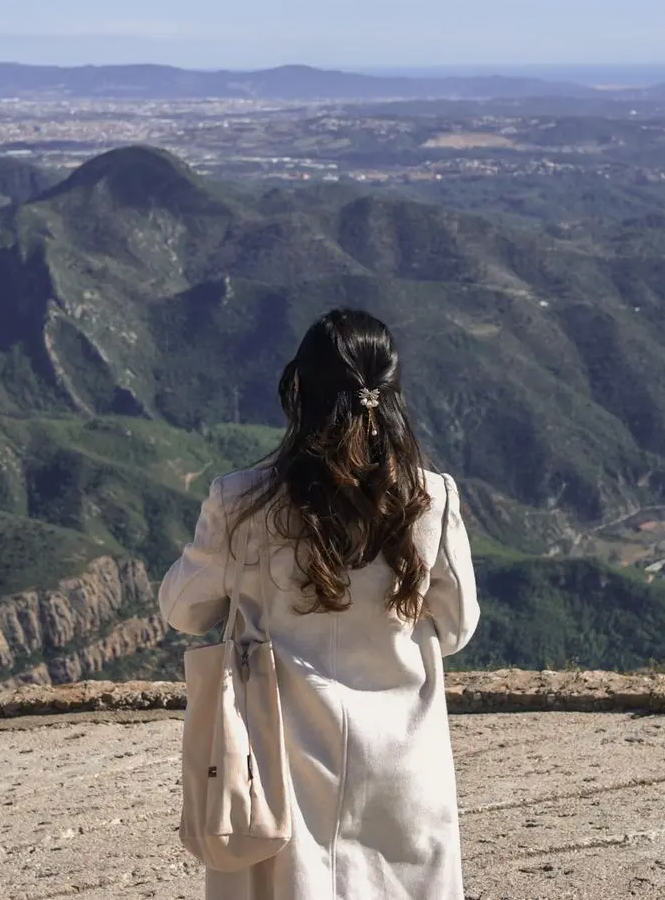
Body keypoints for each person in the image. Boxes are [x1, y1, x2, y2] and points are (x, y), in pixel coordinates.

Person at [159, 308, 480, 900]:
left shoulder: (241, 504)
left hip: (276, 765)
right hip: (402, 769)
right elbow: (457, 627)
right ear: (390, 396)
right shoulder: (431, 499)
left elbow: (182, 609)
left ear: (298, 392)